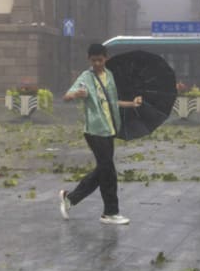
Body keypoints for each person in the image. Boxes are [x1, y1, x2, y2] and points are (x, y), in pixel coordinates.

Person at [59, 43, 142, 225]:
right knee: (109, 172)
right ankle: (110, 212)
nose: (97, 63)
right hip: (95, 131)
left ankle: (71, 198)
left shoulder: (109, 76)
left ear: (106, 58)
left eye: (100, 59)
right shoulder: (86, 77)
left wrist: (132, 104)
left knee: (103, 170)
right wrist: (76, 95)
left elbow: (112, 102)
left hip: (109, 129)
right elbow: (66, 96)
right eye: (94, 60)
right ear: (89, 60)